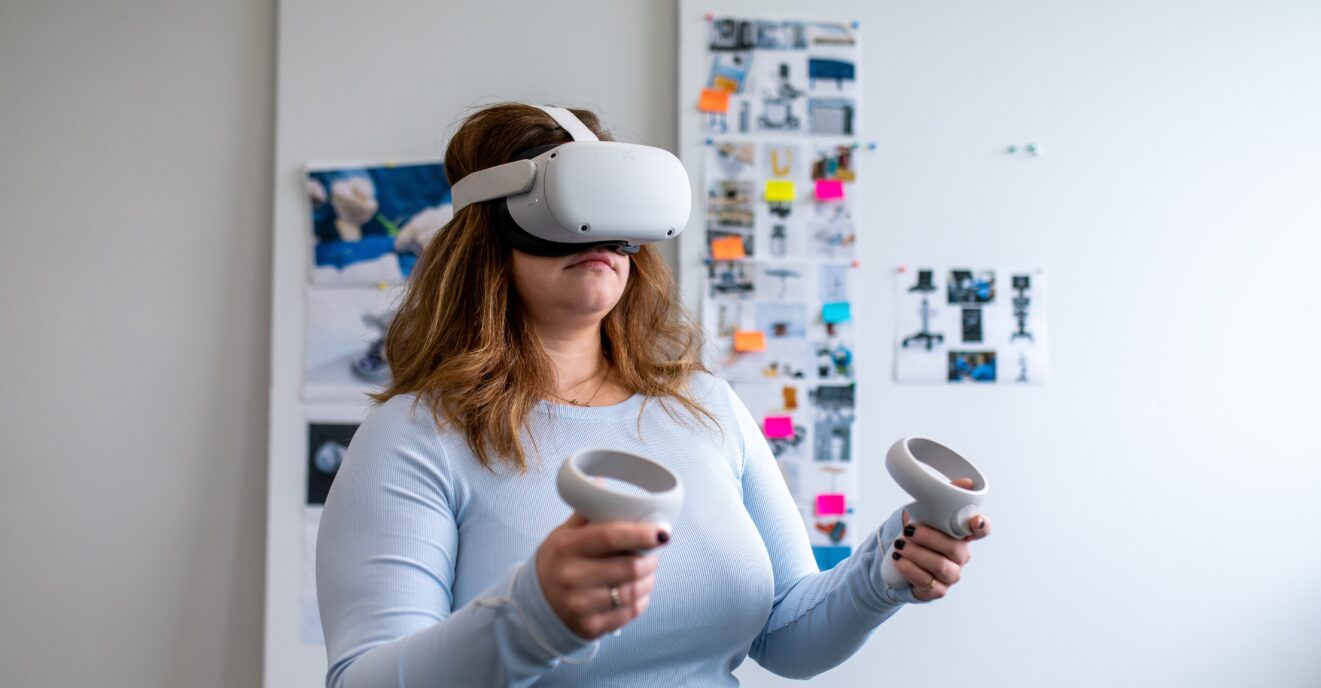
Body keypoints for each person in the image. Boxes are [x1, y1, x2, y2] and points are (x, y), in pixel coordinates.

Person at [316, 103, 992, 688]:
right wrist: (530, 619)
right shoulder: (417, 435)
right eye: (570, 207)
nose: (600, 238)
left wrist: (888, 567)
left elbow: (787, 632)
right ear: (486, 233)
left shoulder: (702, 406)